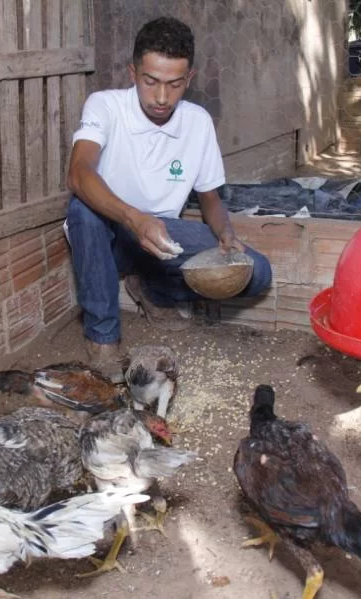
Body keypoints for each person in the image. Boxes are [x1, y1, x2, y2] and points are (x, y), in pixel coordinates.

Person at [65, 16, 272, 381]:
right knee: (83, 210)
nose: (162, 97)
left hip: (163, 237)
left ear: (189, 79)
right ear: (133, 73)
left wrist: (225, 232)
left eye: (174, 84)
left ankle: (154, 290)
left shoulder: (198, 122)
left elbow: (210, 198)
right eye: (151, 82)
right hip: (112, 233)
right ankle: (102, 337)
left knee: (256, 272)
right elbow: (79, 173)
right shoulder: (105, 106)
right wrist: (134, 219)